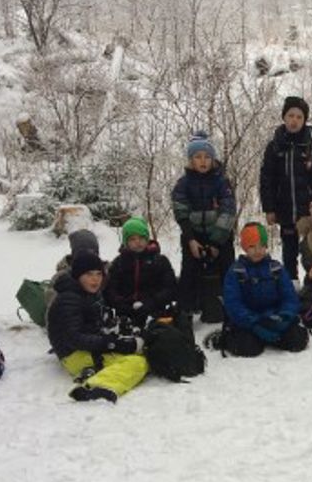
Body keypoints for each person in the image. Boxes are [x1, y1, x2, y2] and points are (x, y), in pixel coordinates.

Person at [46, 252, 148, 402]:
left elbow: (93, 324)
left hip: (88, 348)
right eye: (89, 274)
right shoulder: (68, 299)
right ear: (78, 275)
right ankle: (96, 387)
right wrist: (112, 343)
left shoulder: (88, 293)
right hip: (74, 354)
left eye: (99, 274)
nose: (95, 279)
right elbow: (73, 338)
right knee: (136, 363)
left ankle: (95, 374)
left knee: (139, 356)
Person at [259, 96, 312, 281]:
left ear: (304, 120)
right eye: (291, 115)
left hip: (311, 211)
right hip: (285, 209)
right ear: (284, 117)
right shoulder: (275, 146)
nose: (294, 120)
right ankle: (292, 289)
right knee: (289, 253)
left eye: (299, 117)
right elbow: (266, 179)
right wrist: (269, 208)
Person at [172, 133, 237, 318]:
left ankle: (231, 308)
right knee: (189, 270)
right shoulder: (183, 184)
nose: (203, 161)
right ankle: (185, 310)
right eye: (198, 157)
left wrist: (216, 243)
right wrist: (191, 240)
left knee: (228, 270)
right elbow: (181, 213)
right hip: (194, 235)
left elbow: (228, 211)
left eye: (207, 157)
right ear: (191, 159)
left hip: (220, 235)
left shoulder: (221, 182)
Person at [221, 222, 309, 355]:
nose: (258, 251)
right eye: (252, 246)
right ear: (244, 247)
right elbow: (233, 303)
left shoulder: (276, 268)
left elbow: (290, 296)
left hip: (275, 317)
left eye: (262, 246)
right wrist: (254, 323)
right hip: (250, 321)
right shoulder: (236, 271)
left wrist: (284, 316)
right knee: (248, 348)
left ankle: (272, 336)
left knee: (297, 340)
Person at [104, 218, 179, 329]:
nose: (137, 242)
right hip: (126, 315)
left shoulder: (160, 261)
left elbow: (170, 288)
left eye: (141, 238)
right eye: (133, 239)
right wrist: (122, 304)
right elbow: (110, 290)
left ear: (147, 239)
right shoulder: (118, 263)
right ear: (126, 242)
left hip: (155, 312)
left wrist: (152, 302)